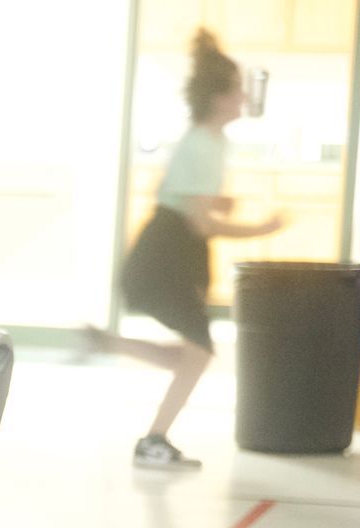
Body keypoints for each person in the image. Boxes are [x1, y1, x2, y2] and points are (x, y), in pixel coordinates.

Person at [92, 29, 283, 470]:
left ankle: (113, 347)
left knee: (195, 352)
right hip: (164, 258)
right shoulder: (201, 144)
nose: (242, 97)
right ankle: (153, 438)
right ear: (218, 98)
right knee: (198, 352)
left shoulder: (213, 143)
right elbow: (199, 222)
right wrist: (261, 228)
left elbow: (178, 196)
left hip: (175, 254)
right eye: (236, 90)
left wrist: (214, 201)